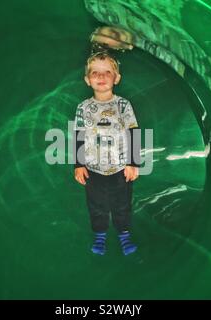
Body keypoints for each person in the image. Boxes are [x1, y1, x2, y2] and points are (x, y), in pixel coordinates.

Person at [73, 51, 141, 256]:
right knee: (97, 205)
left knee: (122, 204)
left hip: (121, 168)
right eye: (95, 72)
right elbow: (78, 135)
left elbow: (133, 132)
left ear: (116, 77)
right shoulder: (83, 108)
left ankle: (124, 234)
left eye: (107, 72)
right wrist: (78, 164)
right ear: (87, 79)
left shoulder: (123, 105)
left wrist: (133, 162)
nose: (101, 77)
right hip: (93, 170)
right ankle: (100, 235)